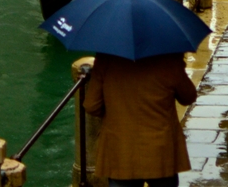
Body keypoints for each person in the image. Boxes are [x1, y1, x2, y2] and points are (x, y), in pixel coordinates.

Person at [84, 50, 197, 187]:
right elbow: (188, 97)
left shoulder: (106, 58)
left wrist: (116, 113)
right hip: (161, 150)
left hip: (120, 148)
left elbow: (91, 105)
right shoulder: (169, 58)